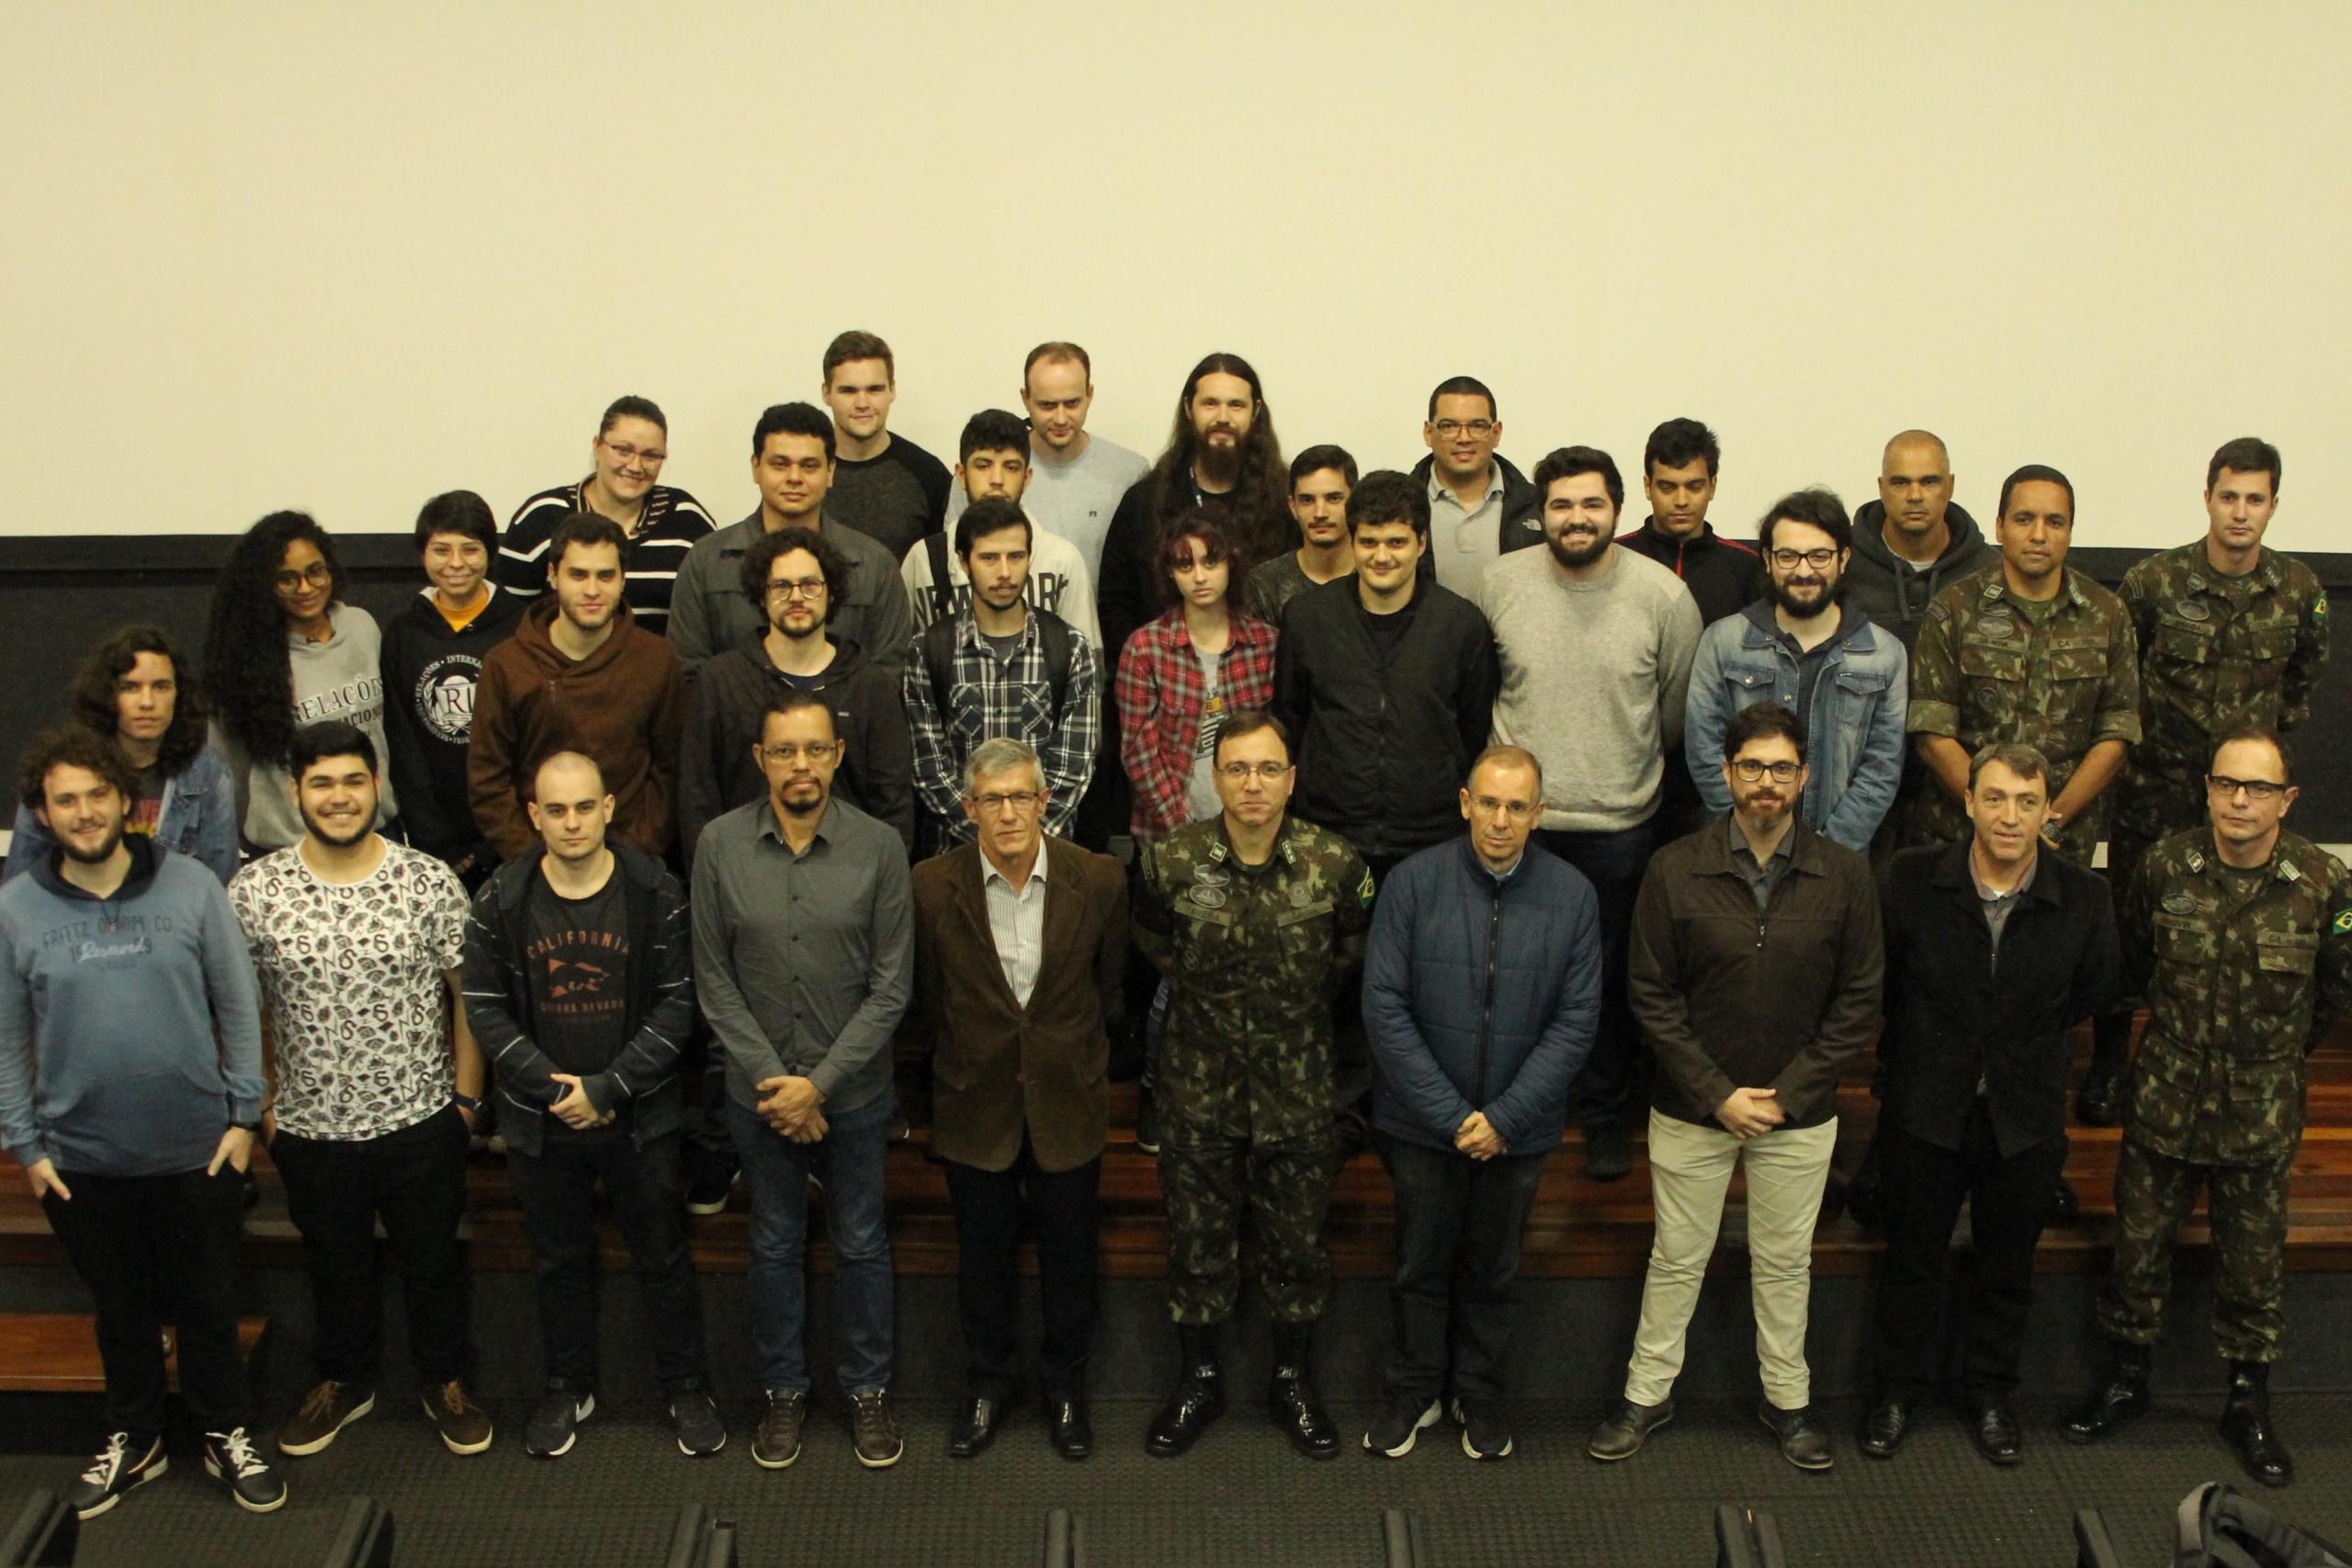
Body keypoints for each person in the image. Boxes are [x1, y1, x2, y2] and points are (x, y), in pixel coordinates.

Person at [0, 727, 282, 1518]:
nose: (85, 811)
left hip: (200, 1149)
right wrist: (26, 1146)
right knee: (120, 1312)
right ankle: (137, 1437)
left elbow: (238, 1002)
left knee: (208, 1306)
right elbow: (7, 1036)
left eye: (99, 794)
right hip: (79, 1159)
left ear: (128, 801)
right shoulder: (16, 908)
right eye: (66, 799)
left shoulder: (192, 886)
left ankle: (225, 1432)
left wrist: (242, 1114)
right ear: (42, 813)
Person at [1589, 703, 1881, 1472]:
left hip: (1798, 1113)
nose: (1766, 782)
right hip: (1693, 1106)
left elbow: (1859, 1000)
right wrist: (1718, 1093)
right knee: (1675, 1258)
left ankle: (1789, 1402)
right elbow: (1649, 993)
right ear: (1726, 773)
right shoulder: (1673, 868)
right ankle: (1646, 1395)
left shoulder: (1846, 875)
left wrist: (1786, 1094)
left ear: (1805, 777)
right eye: (1752, 766)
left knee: (1785, 1264)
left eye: (1782, 767)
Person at [2065, 728, 2352, 1490]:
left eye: (2258, 788)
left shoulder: (2324, 884)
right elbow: (2134, 962)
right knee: (2137, 1249)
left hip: (2261, 1110)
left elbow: (2334, 991)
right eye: (2227, 783)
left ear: (2287, 799)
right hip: (2166, 1096)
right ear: (2208, 789)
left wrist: (2271, 1053)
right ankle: (2126, 1379)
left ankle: (2247, 1400)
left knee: (2253, 1266)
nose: (2239, 800)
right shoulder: (2165, 867)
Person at [229, 722, 489, 1461]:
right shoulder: (255, 892)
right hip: (309, 1128)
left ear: (377, 786)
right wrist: (265, 1108)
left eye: (352, 780)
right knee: (333, 1265)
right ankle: (344, 1381)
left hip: (422, 1118)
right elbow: (237, 1007)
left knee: (433, 1264)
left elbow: (468, 992)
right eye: (321, 782)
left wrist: (466, 1102)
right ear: (295, 792)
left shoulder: (427, 882)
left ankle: (445, 1380)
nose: (338, 797)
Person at [1861, 742, 2119, 1466]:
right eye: (1997, 798)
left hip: (2025, 1116)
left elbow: (2093, 990)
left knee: (2008, 1269)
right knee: (1912, 1261)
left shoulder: (2084, 897)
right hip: (1925, 1107)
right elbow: (1885, 984)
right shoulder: (1909, 879)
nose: (2010, 815)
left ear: (2048, 812)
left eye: (2027, 802)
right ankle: (1897, 1391)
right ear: (1968, 801)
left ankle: (1990, 1394)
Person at [462, 752, 721, 1460]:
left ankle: (686, 1387)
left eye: (584, 807)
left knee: (663, 1255)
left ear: (608, 807)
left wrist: (606, 1088)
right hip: (540, 1123)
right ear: (534, 816)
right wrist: (558, 1090)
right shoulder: (501, 898)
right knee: (558, 1260)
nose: (571, 822)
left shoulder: (656, 890)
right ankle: (565, 1386)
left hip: (642, 1118)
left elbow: (680, 1004)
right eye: (556, 809)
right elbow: (484, 1008)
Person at [1133, 710, 1372, 1461]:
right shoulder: (1171, 861)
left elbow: (1349, 953)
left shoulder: (1334, 863)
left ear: (1291, 778)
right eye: (1237, 768)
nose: (1253, 784)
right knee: (1196, 1242)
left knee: (1297, 1247)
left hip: (1298, 1090)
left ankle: (1291, 1380)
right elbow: (1154, 944)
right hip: (1198, 1088)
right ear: (1216, 778)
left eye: (1268, 768)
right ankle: (1200, 1379)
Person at [2077, 437, 2329, 1124]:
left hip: (2244, 802)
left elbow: (2299, 690)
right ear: (2207, 498)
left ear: (2273, 505)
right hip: (2154, 795)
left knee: (2233, 932)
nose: (2240, 512)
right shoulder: (2154, 583)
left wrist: (2257, 769)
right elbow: (2122, 683)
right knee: (2133, 931)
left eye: (2255, 499)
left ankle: (2215, 1060)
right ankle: (2110, 1061)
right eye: (2229, 496)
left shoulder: (2299, 591)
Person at [1360, 745, 1600, 1461]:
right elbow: (1384, 1006)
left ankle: (1480, 1392)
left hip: (1518, 1132)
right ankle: (1413, 1389)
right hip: (1420, 1124)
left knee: (1494, 1273)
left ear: (1538, 814)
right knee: (1418, 1267)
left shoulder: (1574, 896)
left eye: (1516, 807)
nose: (1500, 820)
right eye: (1489, 803)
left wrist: (1503, 1119)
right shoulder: (1411, 883)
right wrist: (1452, 1116)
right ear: (1465, 802)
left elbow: (1577, 1020)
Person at [692, 693, 913, 1471]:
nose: (801, 765)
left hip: (854, 1095)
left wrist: (816, 1085)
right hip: (757, 1098)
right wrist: (776, 1083)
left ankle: (868, 1390)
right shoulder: (718, 844)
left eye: (815, 749)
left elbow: (892, 986)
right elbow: (713, 979)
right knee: (774, 1242)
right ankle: (782, 1391)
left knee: (861, 1241)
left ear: (838, 755)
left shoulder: (880, 847)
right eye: (784, 750)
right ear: (760, 759)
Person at [1480, 446, 1702, 1180]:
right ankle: (1517, 1112)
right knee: (1513, 979)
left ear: (1617, 508)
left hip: (1619, 828)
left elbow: (1674, 713)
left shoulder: (1663, 596)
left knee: (1605, 985)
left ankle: (1605, 1115)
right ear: (1540, 512)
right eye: (1561, 505)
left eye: (1591, 504)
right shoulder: (1498, 584)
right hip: (1519, 828)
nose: (1576, 518)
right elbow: (1480, 691)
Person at [911, 739, 1127, 1461]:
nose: (1007, 812)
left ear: (1045, 801)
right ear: (967, 807)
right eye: (991, 799)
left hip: (1068, 1100)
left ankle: (1065, 1388)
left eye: (1020, 797)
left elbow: (1109, 992)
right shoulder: (928, 886)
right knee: (982, 1260)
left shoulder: (1097, 878)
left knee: (1070, 1260)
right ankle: (988, 1384)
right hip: (974, 1101)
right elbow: (929, 997)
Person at [1904, 463, 2141, 864]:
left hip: (2063, 842)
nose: (2038, 535)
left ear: (2070, 531)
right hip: (1964, 840)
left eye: (2055, 522)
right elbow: (1932, 734)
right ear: (1999, 527)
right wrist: (1996, 815)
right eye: (2024, 519)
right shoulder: (1954, 609)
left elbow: (2116, 735)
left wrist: (2048, 820)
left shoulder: (2107, 614)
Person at [1273, 469, 1498, 881]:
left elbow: (1474, 729)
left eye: (1396, 542)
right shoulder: (1307, 619)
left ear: (1422, 543)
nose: (1381, 557)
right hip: (1327, 835)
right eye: (1369, 542)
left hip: (1431, 836)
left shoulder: (1461, 625)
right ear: (1352, 541)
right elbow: (1291, 717)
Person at [1684, 488, 1908, 851]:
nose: (1804, 571)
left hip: (1838, 859)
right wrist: (1755, 837)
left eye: (1819, 556)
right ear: (1768, 560)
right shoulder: (1723, 643)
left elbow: (1881, 771)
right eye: (1788, 556)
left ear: (1843, 559)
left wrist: (1827, 852)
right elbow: (1705, 753)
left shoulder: (1885, 655)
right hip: (1735, 854)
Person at [678, 525, 914, 861]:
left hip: (851, 876)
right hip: (742, 875)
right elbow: (697, 798)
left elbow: (894, 804)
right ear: (761, 595)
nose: (797, 597)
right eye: (781, 586)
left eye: (810, 585)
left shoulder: (872, 687)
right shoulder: (719, 682)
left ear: (831, 593)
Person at [469, 512, 688, 863]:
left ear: (623, 580)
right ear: (552, 575)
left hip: (631, 862)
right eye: (578, 575)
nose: (592, 590)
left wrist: (631, 858)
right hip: (533, 863)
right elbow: (488, 782)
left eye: (605, 576)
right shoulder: (506, 665)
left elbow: (670, 772)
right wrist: (533, 863)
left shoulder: (658, 661)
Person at [905, 498, 1101, 853]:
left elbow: (1072, 769)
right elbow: (930, 768)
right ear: (964, 562)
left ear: (1030, 558)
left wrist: (1026, 840)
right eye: (989, 558)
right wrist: (990, 839)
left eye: (1016, 556)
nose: (1005, 572)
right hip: (957, 856)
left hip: (1046, 855)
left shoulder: (1069, 648)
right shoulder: (930, 650)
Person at [667, 401, 913, 682]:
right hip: (734, 711)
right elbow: (688, 674)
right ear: (756, 467)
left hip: (844, 711)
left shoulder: (875, 566)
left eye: (809, 466)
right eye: (780, 465)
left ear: (830, 471)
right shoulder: (706, 561)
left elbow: (888, 676)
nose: (794, 478)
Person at [203, 511, 397, 852]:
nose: (305, 588)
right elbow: (228, 772)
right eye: (287, 578)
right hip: (290, 846)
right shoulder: (246, 659)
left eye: (315, 571)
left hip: (374, 831)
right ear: (264, 585)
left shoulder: (362, 629)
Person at [1097, 353, 1299, 665]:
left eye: (1236, 405)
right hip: (1166, 678)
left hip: (1262, 678)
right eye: (1210, 403)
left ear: (1256, 411)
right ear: (1189, 408)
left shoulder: (1285, 503)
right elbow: (1116, 602)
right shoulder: (1145, 502)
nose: (1223, 417)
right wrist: (1149, 667)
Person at [5, 625, 238, 886]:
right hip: (75, 906)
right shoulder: (60, 770)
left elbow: (220, 886)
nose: (147, 702)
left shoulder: (206, 772)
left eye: (161, 687)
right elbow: (20, 885)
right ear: (107, 695)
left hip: (173, 909)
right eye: (130, 687)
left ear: (179, 695)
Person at [380, 491, 526, 889]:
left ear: (490, 553)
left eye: (470, 549)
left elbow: (531, 737)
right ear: (422, 554)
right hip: (435, 844)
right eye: (441, 550)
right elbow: (402, 743)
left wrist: (501, 834)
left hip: (514, 834)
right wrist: (434, 837)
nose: (456, 563)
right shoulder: (402, 634)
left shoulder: (522, 628)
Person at [1115, 504, 1279, 846]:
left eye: (1211, 562)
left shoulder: (1266, 643)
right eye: (1185, 565)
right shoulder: (1145, 648)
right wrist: (1182, 827)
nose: (1199, 577)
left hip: (1255, 829)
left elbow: (1280, 743)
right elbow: (1138, 751)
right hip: (1169, 836)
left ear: (1231, 563)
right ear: (1170, 573)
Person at [496, 395, 717, 629]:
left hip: (661, 653)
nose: (635, 466)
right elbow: (509, 622)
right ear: (597, 447)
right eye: (623, 450)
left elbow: (711, 616)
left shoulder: (688, 519)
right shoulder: (540, 517)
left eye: (651, 455)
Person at [904, 408, 1101, 649]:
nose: (997, 479)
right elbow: (901, 657)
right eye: (983, 466)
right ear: (962, 474)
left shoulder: (1062, 560)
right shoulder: (923, 558)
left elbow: (1088, 657)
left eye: (1011, 467)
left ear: (1027, 477)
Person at [969, 341, 1149, 579]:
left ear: (1089, 395)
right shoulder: (984, 475)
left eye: (1072, 403)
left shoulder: (1131, 472)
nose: (1061, 418)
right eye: (1047, 405)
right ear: (1025, 399)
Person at [1846, 430, 1995, 655]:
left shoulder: (1990, 571)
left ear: (1950, 486)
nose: (1915, 496)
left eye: (1929, 482)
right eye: (1900, 483)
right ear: (1881, 488)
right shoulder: (1840, 565)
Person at [818, 329, 953, 561]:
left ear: (892, 390)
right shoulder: (804, 471)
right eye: (848, 391)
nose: (862, 403)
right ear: (826, 393)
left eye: (874, 389)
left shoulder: (928, 474)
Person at [1408, 376, 1543, 599]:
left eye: (1478, 426)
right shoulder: (1400, 506)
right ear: (1428, 433)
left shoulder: (1537, 506)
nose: (1464, 438)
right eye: (1449, 426)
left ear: (1496, 433)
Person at [1246, 446, 1356, 625]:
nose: (1320, 513)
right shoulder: (1266, 583)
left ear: (1354, 502)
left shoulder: (1376, 574)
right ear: (1293, 506)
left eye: (1333, 498)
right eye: (1307, 500)